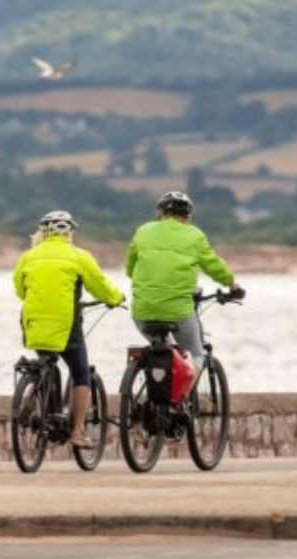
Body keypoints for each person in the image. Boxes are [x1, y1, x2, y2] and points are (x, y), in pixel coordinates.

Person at [13, 210, 124, 448]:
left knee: (47, 359)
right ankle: (77, 431)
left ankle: (35, 396)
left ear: (43, 231)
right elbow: (101, 286)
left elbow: (20, 291)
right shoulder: (79, 256)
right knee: (80, 373)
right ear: (70, 232)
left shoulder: (28, 256)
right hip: (67, 324)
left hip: (34, 322)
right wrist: (116, 298)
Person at [125, 191, 243, 376]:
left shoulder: (143, 231)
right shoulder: (194, 235)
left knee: (161, 349)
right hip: (178, 311)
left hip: (142, 310)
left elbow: (130, 268)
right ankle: (182, 398)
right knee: (195, 354)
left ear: (161, 213)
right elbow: (214, 265)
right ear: (187, 215)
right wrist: (232, 285)